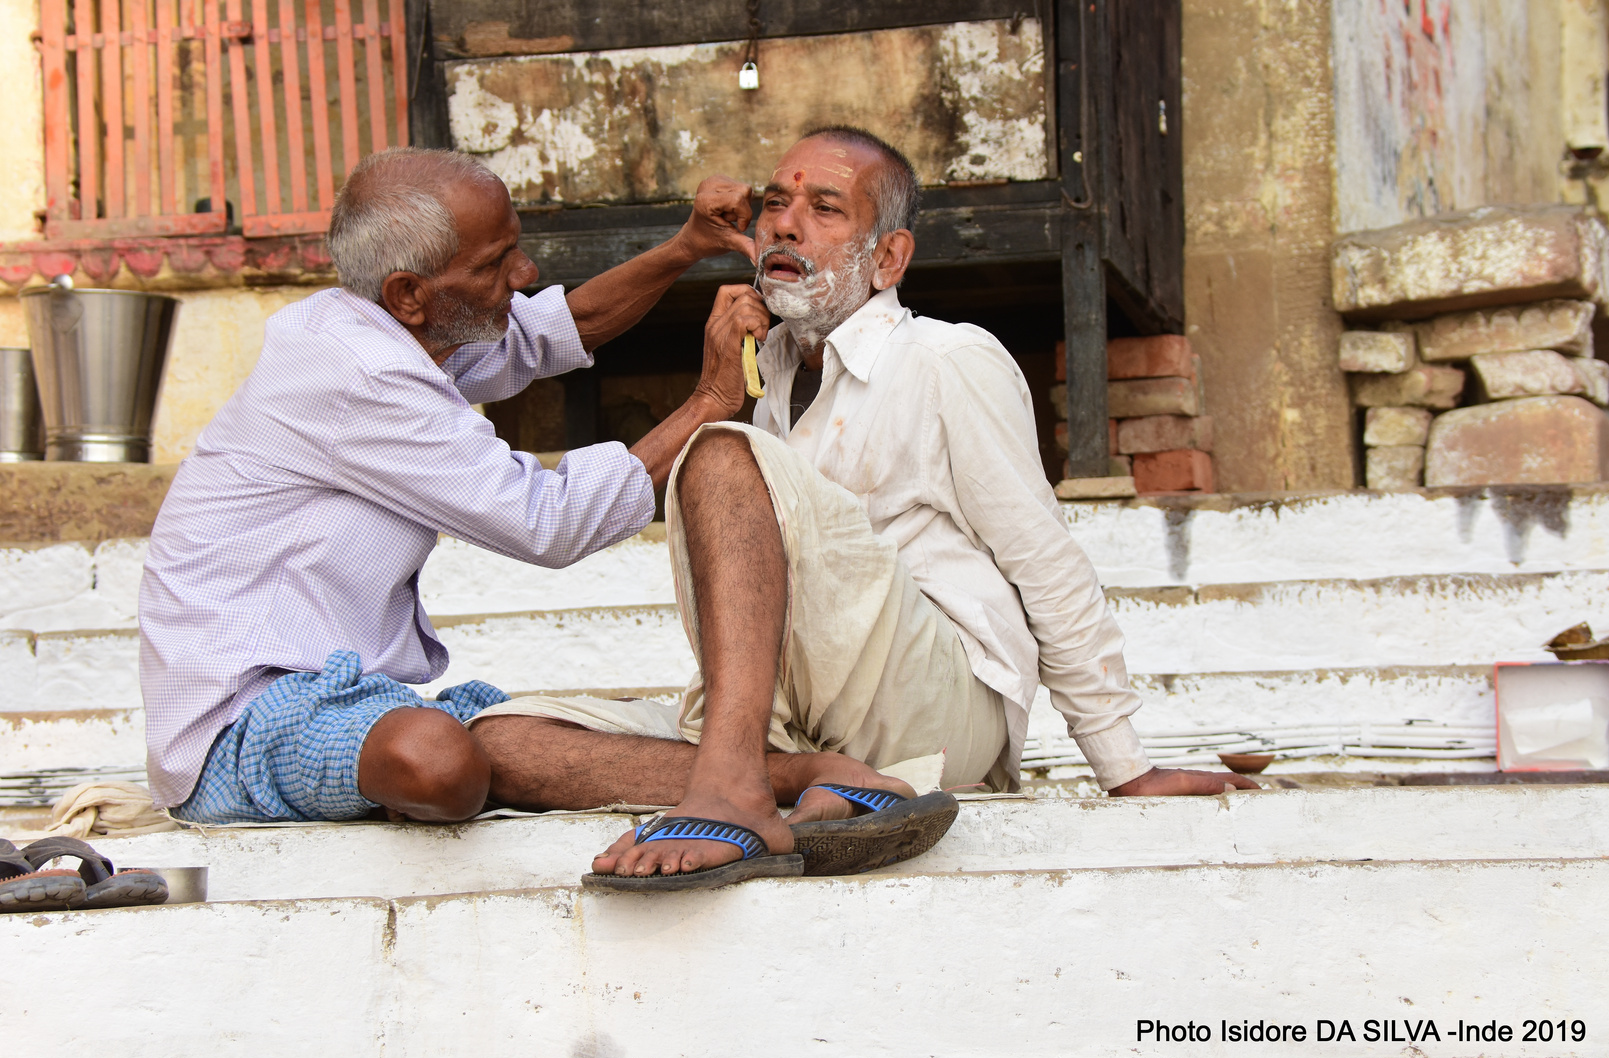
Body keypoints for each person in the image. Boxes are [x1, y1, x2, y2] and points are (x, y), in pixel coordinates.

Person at [495, 126, 1259, 887]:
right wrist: (719, 394)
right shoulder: (766, 377)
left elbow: (1045, 561)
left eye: (825, 208)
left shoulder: (947, 360)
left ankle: (735, 787)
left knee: (721, 454)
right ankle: (806, 780)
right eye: (774, 205)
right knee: (497, 742)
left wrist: (1123, 765)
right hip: (801, 719)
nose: (785, 224)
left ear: (888, 258)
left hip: (937, 708)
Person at [137, 147, 832, 824]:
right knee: (440, 759)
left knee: (513, 738)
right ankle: (781, 779)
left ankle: (789, 780)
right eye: (496, 263)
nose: (525, 272)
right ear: (409, 294)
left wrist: (684, 247)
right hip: (238, 723)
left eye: (515, 248)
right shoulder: (364, 374)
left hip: (353, 696)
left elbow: (556, 331)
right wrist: (709, 401)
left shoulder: (385, 327)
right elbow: (548, 522)